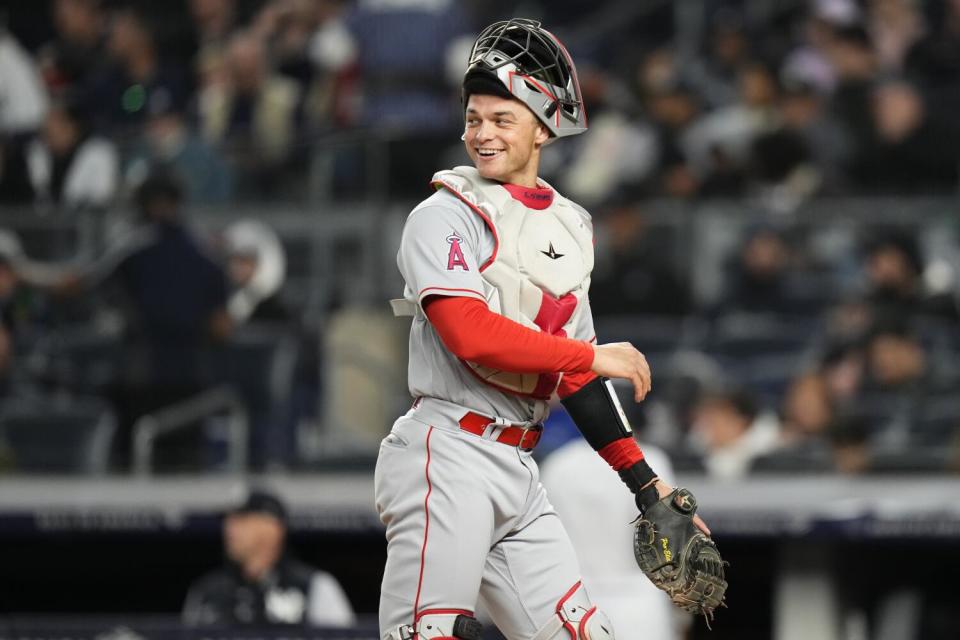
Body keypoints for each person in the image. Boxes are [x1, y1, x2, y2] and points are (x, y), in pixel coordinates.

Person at [378, 19, 714, 640]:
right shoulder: (443, 213)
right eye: (474, 118)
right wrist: (589, 352)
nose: (482, 133)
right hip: (447, 450)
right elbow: (470, 333)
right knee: (430, 634)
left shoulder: (570, 224)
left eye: (502, 119)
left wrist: (647, 487)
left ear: (543, 126)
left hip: (517, 467)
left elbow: (576, 374)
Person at [183, 489, 355, 626]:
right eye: (228, 520)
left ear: (273, 529)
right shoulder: (206, 591)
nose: (229, 528)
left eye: (241, 520)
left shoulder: (315, 586)